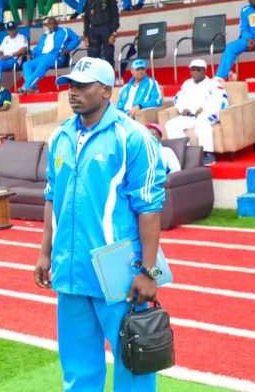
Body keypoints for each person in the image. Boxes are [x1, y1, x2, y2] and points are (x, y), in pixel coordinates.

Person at [34, 57, 166, 392]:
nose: (72, 92)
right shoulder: (60, 136)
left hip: (118, 271)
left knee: (133, 363)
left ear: (106, 91)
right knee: (78, 367)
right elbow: (52, 197)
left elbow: (149, 209)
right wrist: (45, 253)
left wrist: (149, 271)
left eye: (82, 86)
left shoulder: (132, 137)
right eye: (70, 85)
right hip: (70, 267)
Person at [165, 59, 228, 165]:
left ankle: (207, 153)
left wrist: (205, 109)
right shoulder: (187, 84)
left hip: (208, 114)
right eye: (192, 70)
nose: (195, 72)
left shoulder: (213, 84)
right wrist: (183, 108)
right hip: (190, 116)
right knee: (171, 125)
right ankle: (185, 151)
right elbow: (178, 98)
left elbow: (221, 101)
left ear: (204, 71)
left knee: (202, 122)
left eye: (198, 70)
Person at [20, 17, 81, 94]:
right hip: (41, 56)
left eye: (53, 23)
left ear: (57, 24)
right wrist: (31, 53)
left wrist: (68, 48)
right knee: (26, 64)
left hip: (55, 56)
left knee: (43, 63)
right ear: (47, 25)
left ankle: (26, 86)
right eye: (50, 24)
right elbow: (38, 48)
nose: (52, 25)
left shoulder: (65, 31)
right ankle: (33, 88)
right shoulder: (44, 35)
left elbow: (77, 39)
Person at [82, 0, 119, 67]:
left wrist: (114, 33)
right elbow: (86, 18)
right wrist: (86, 35)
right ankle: (94, 76)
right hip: (93, 29)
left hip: (106, 28)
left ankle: (110, 75)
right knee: (92, 56)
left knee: (108, 55)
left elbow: (115, 15)